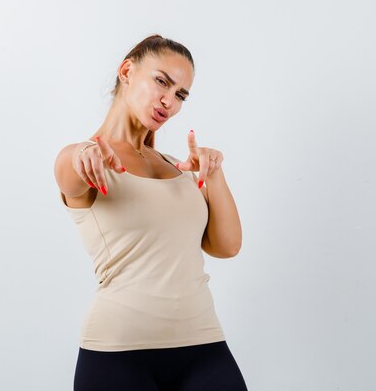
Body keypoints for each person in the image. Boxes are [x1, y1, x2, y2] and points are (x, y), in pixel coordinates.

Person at [54, 34, 247, 391]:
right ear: (127, 70)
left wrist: (213, 173)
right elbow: (68, 173)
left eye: (180, 95)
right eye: (162, 81)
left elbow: (227, 246)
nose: (168, 101)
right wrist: (82, 153)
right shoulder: (88, 159)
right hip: (118, 354)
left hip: (204, 347)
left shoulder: (179, 166)